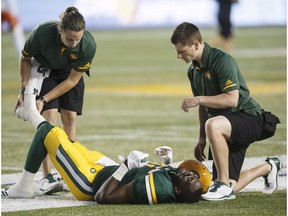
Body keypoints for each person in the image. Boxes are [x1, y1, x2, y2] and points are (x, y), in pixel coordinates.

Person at [2, 78, 203, 204]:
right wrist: (165, 163)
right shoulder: (170, 178)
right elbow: (146, 173)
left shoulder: (160, 188)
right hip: (102, 167)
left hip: (89, 183)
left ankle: (24, 186)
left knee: (50, 134)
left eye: (190, 180)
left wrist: (125, 166)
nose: (190, 174)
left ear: (177, 190)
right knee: (62, 138)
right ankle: (30, 113)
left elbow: (103, 197)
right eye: (194, 175)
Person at [170, 22, 281, 201]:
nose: (178, 56)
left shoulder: (221, 60)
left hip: (249, 117)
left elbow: (232, 99)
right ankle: (268, 167)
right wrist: (201, 139)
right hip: (226, 126)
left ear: (196, 44)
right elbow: (205, 108)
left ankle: (222, 183)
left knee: (213, 125)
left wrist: (198, 99)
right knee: (229, 185)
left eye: (182, 51)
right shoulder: (193, 71)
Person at [12, 6, 97, 194]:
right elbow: (25, 58)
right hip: (45, 71)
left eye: (78, 39)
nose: (74, 43)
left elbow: (72, 80)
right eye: (69, 38)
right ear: (60, 31)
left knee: (70, 119)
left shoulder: (88, 45)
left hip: (70, 74)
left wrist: (44, 98)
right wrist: (24, 90)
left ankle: (71, 173)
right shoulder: (42, 33)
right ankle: (47, 176)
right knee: (49, 119)